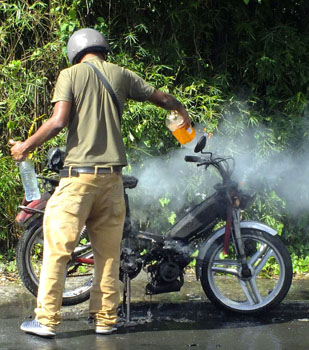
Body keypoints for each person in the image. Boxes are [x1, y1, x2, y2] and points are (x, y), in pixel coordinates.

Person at [10, 28, 191, 338]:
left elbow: (58, 121)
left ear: (75, 51)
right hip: (112, 181)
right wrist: (181, 110)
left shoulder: (70, 75)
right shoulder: (120, 74)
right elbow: (160, 97)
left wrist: (25, 147)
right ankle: (105, 319)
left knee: (57, 250)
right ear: (102, 48)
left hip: (78, 180)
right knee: (108, 254)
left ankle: (47, 320)